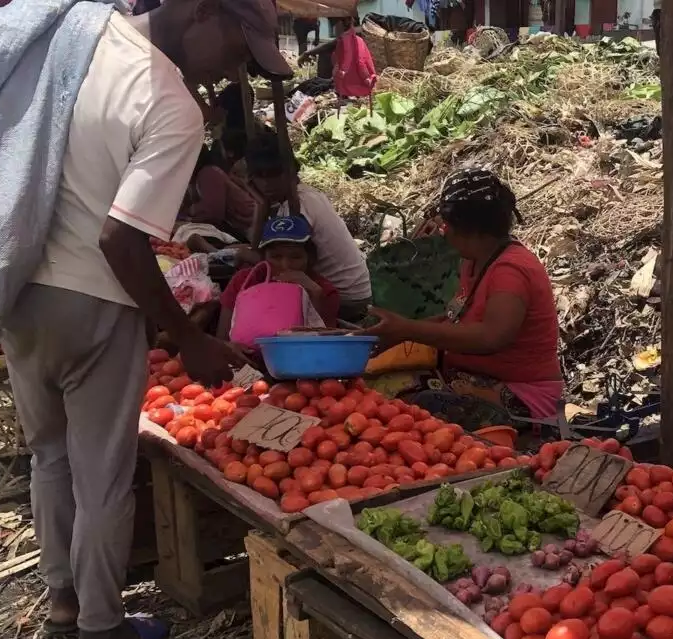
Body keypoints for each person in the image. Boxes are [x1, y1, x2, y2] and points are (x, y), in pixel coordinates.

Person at [0, 0, 289, 639]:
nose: (234, 72)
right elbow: (119, 238)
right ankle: (101, 636)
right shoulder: (168, 98)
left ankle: (65, 600)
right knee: (103, 473)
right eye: (238, 50)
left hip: (21, 290)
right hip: (91, 298)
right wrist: (185, 335)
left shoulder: (81, 40)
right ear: (199, 14)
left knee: (50, 457)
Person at [360, 169, 562, 429]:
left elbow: (491, 337)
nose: (444, 233)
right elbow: (455, 319)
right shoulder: (474, 260)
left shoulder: (511, 270)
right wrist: (398, 334)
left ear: (470, 231)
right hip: (472, 377)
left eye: (448, 226)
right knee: (380, 388)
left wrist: (409, 329)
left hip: (524, 395)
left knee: (415, 410)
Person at [246, 143, 373, 321]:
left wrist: (246, 251)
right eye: (260, 176)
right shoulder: (301, 196)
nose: (267, 183)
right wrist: (261, 206)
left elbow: (271, 262)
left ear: (291, 172)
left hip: (346, 298)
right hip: (355, 291)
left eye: (275, 174)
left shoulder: (299, 205)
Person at [218, 215, 340, 341]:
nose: (285, 265)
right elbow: (222, 339)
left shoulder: (323, 290)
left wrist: (316, 297)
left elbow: (325, 347)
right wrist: (231, 349)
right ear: (263, 257)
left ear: (309, 258)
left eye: (295, 257)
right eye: (275, 256)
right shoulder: (244, 281)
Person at [332, 16, 377, 100]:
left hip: (350, 83)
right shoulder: (358, 40)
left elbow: (358, 63)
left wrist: (366, 79)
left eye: (335, 25)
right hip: (363, 81)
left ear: (341, 24)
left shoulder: (344, 41)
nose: (334, 28)